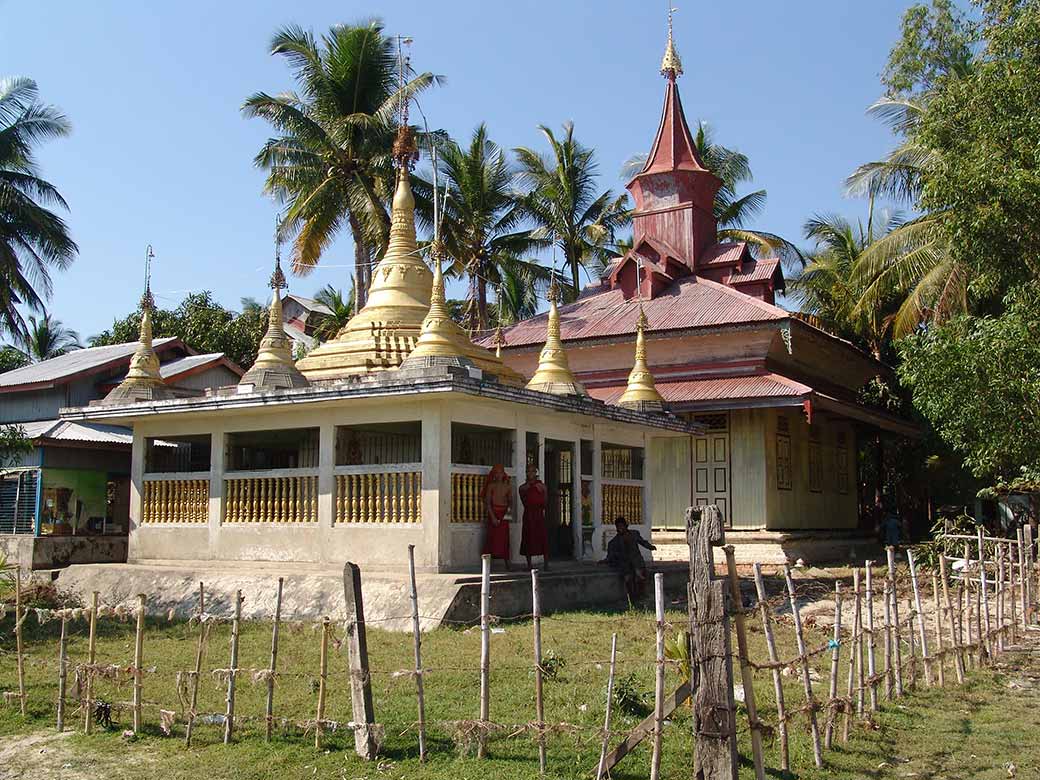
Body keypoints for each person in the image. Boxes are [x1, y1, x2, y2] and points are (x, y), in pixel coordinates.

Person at [601, 516, 656, 601]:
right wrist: (605, 561)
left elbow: (642, 542)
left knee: (641, 576)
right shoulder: (613, 542)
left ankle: (642, 596)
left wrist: (650, 547)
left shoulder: (634, 534)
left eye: (622, 526)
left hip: (637, 562)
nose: (620, 529)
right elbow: (611, 556)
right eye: (618, 527)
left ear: (626, 526)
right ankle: (632, 598)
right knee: (628, 578)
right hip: (625, 564)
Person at [518, 463, 549, 570]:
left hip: (539, 515)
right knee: (528, 537)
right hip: (528, 515)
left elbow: (545, 502)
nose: (530, 473)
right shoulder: (523, 488)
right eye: (528, 471)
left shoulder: (542, 486)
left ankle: (546, 564)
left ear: (536, 473)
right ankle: (529, 565)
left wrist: (538, 490)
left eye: (532, 471)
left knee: (542, 537)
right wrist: (529, 488)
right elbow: (523, 501)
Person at [481, 464, 511, 570]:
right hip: (494, 513)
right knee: (491, 538)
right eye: (496, 473)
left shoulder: (507, 486)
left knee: (505, 539)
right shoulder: (491, 486)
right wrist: (493, 517)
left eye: (500, 472)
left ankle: (507, 564)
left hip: (504, 515)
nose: (498, 475)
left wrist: (507, 515)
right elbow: (488, 502)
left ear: (503, 474)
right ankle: (487, 565)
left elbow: (510, 503)